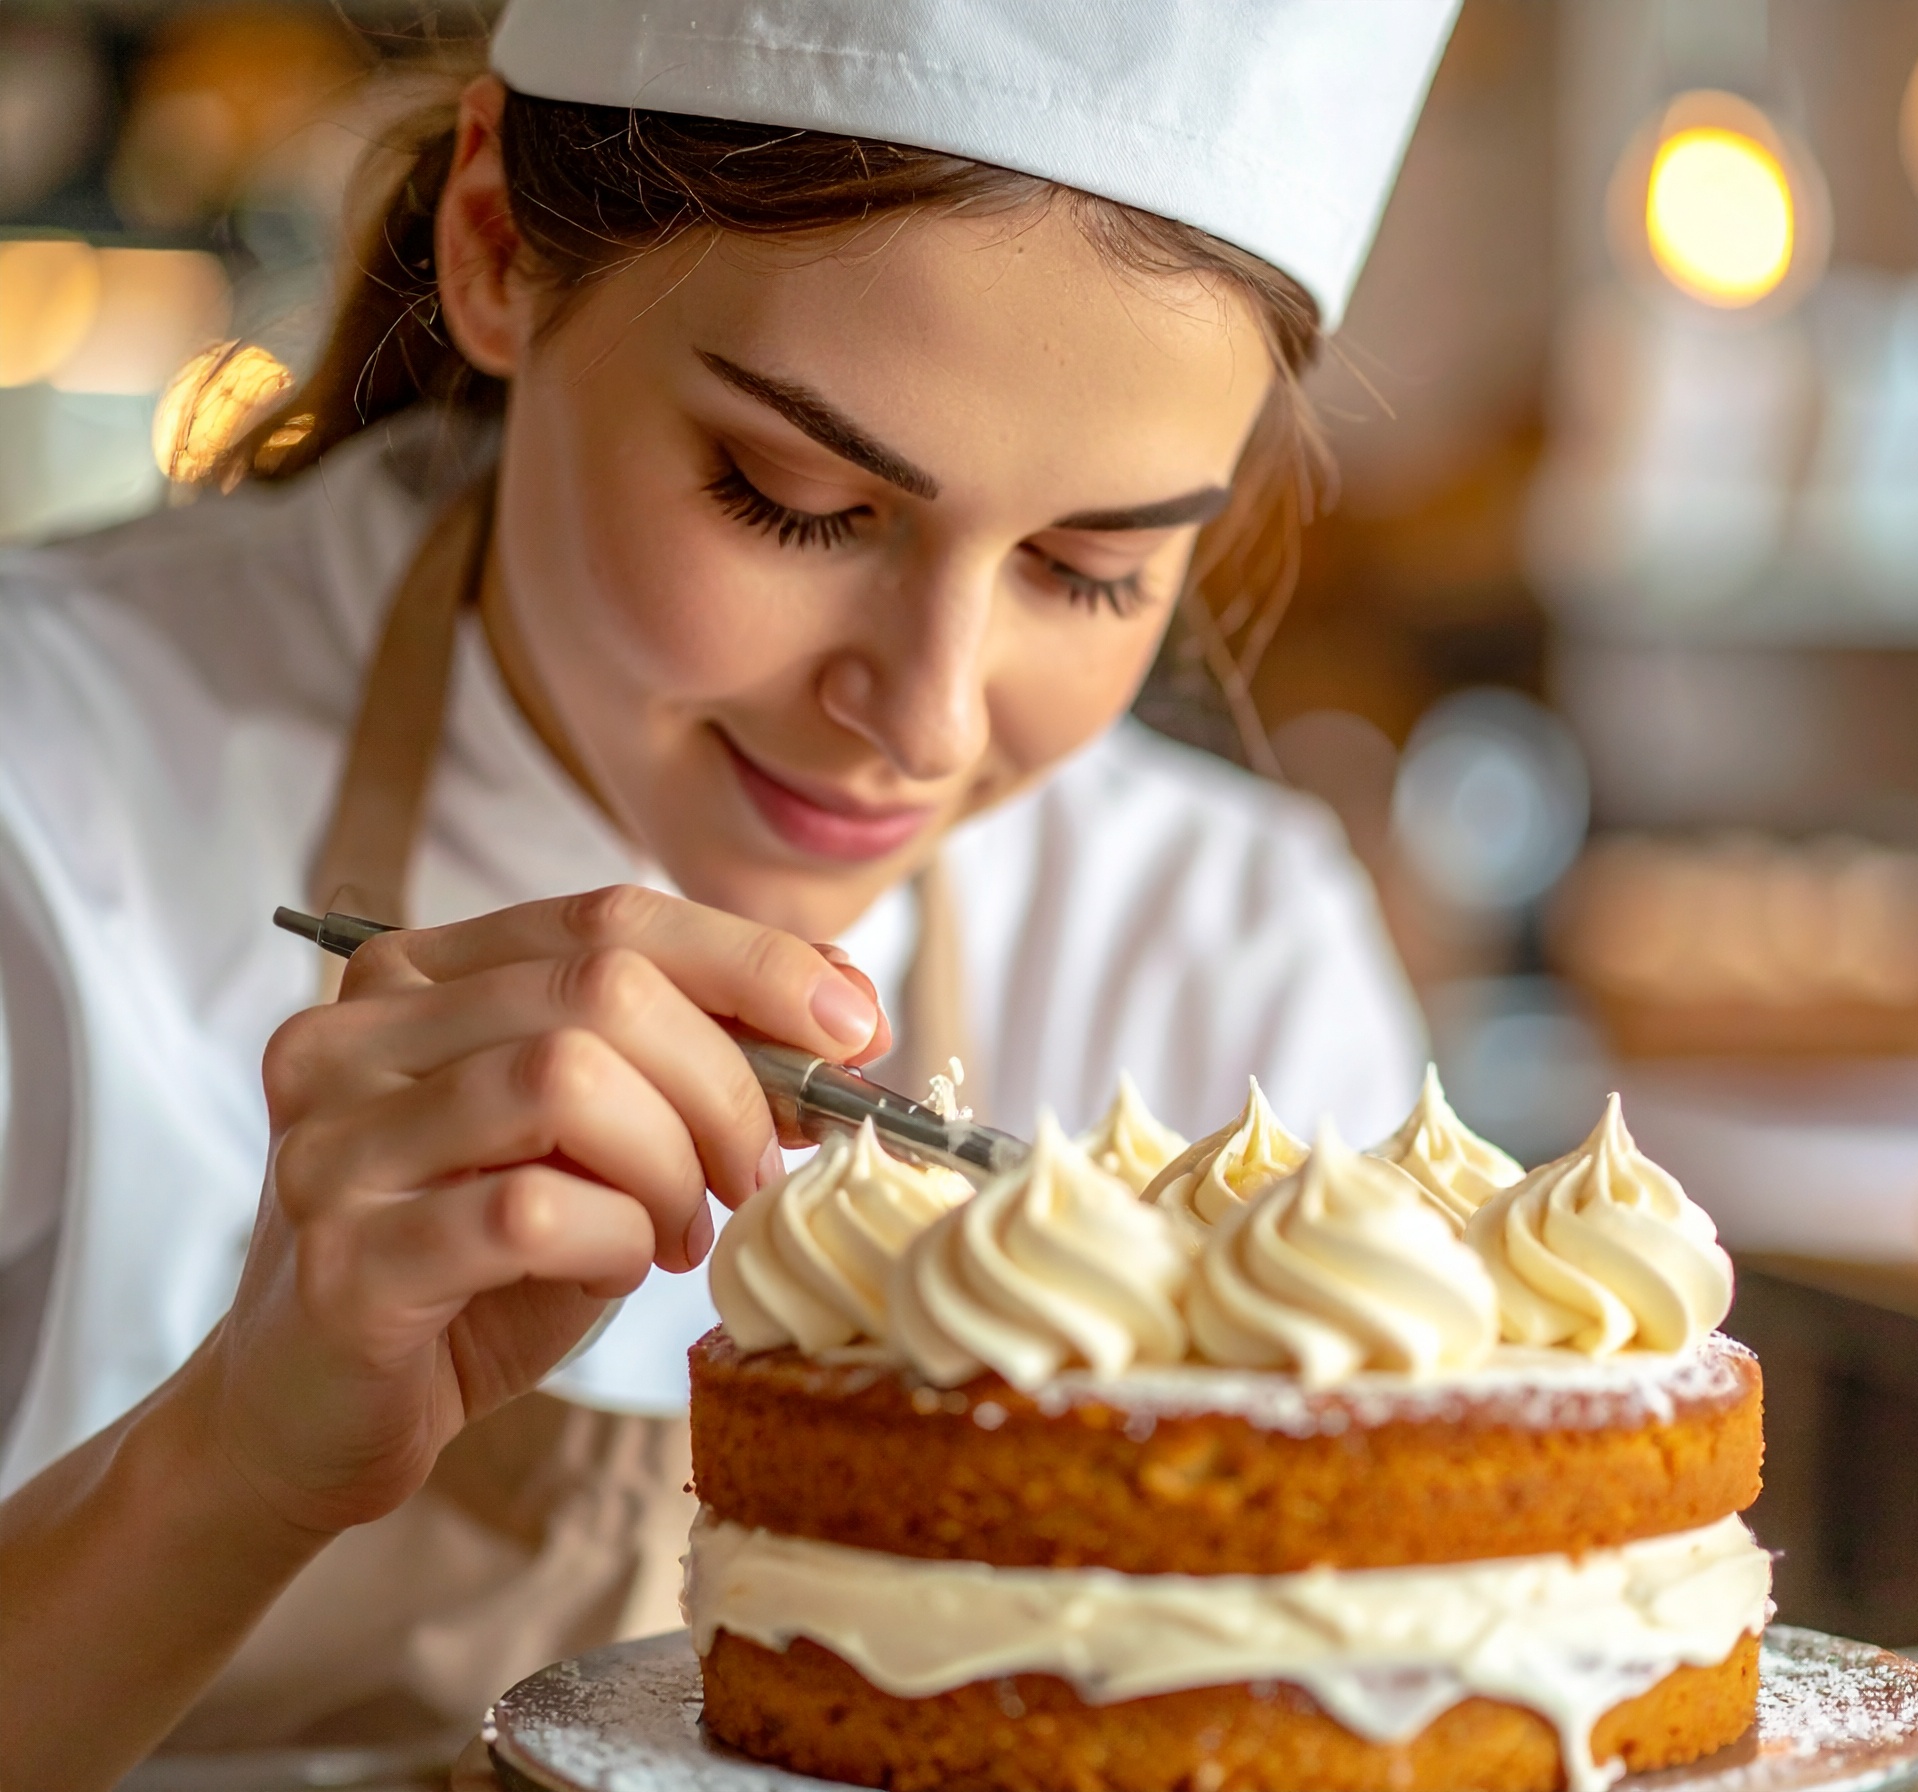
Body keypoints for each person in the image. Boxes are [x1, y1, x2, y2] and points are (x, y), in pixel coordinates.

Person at [0, 4, 1458, 1785]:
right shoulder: (46, 808)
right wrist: (233, 1457)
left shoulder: (1228, 952)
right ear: (495, 250)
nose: (923, 722)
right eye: (794, 500)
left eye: (1092, 570)